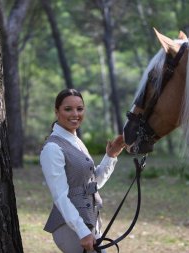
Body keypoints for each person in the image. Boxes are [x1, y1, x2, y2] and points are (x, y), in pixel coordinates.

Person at [40, 88, 125, 253]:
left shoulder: (76, 141)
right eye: (68, 109)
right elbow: (60, 197)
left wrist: (111, 155)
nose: (75, 114)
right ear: (56, 111)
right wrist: (82, 231)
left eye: (79, 109)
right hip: (70, 227)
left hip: (90, 221)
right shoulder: (52, 148)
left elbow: (93, 184)